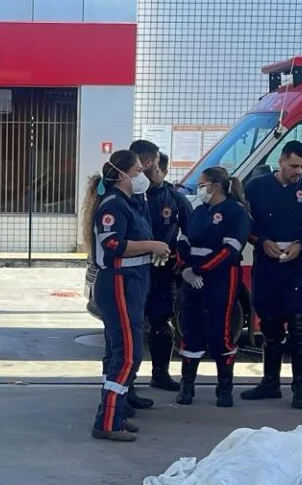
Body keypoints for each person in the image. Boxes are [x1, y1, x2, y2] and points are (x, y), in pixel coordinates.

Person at [241, 141, 302, 409]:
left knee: (300, 327)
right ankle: (270, 383)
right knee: (269, 326)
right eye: (294, 166)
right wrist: (261, 241)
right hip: (266, 264)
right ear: (281, 161)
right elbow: (245, 224)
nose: (298, 171)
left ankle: (301, 389)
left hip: (297, 266)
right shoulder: (256, 187)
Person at [87, 150, 169, 441]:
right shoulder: (113, 205)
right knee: (127, 355)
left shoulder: (130, 202)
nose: (141, 176)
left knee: (122, 353)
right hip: (119, 283)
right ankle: (108, 422)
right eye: (137, 172)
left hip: (133, 282)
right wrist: (152, 245)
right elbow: (112, 244)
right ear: (122, 175)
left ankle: (115, 414)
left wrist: (154, 250)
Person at [176, 166, 252, 408]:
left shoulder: (236, 212)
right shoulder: (198, 211)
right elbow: (183, 241)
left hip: (221, 279)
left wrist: (200, 270)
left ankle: (224, 388)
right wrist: (186, 269)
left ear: (216, 186)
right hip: (192, 280)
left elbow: (231, 250)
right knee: (191, 330)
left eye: (202, 185)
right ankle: (187, 385)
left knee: (220, 331)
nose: (200, 189)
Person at [143, 151, 192, 392]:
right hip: (135, 270)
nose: (148, 176)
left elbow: (192, 232)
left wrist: (179, 256)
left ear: (163, 171)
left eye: (153, 172)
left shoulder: (175, 198)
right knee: (132, 325)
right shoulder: (132, 196)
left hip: (164, 270)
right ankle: (127, 380)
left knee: (161, 323)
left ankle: (160, 373)